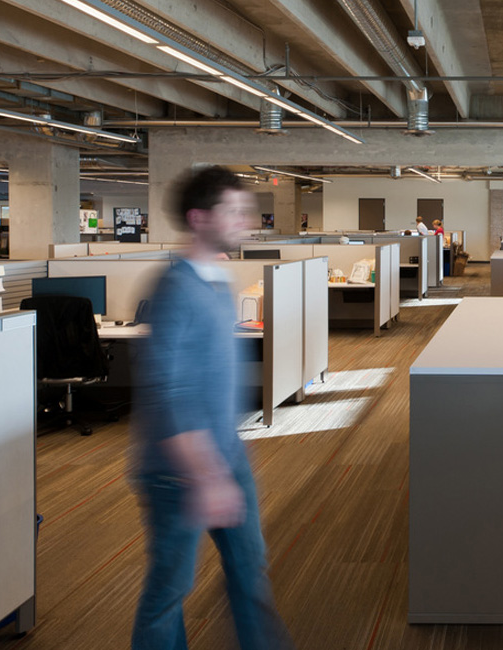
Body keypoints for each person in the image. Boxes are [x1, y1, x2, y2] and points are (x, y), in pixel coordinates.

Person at [131, 166, 294, 650]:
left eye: (247, 210)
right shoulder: (174, 289)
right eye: (234, 211)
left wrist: (230, 455)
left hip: (226, 453)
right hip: (177, 470)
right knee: (170, 590)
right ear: (199, 218)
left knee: (249, 570)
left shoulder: (219, 280)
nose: (247, 220)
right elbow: (168, 393)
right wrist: (206, 474)